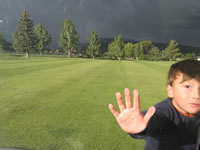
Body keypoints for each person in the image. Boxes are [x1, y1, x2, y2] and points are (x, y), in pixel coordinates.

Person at [109, 59, 200, 150]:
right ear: (170, 90)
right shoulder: (163, 112)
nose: (197, 95)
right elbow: (153, 119)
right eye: (188, 86)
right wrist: (142, 126)